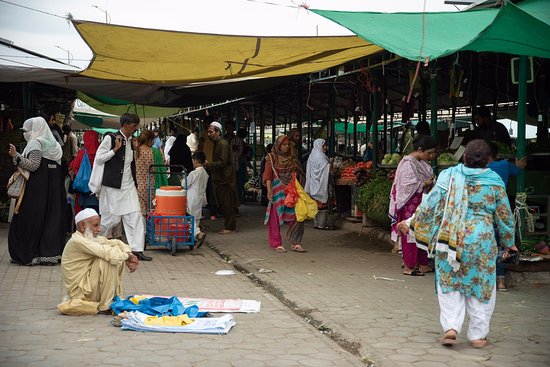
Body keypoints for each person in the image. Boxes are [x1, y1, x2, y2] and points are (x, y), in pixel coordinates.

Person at [400, 139, 516, 348]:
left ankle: (451, 328)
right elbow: (504, 216)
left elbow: (430, 204)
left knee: (450, 284)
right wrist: (509, 243)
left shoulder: (449, 176)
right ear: (488, 160)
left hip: (450, 240)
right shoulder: (494, 181)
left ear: (464, 158)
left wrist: (411, 222)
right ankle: (478, 336)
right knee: (481, 286)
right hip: (481, 242)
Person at [58, 209, 139, 315]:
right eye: (96, 226)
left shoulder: (89, 238)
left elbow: (117, 242)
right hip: (81, 291)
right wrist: (127, 257)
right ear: (83, 226)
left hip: (89, 286)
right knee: (107, 259)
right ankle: (105, 305)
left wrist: (129, 254)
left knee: (114, 250)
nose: (99, 229)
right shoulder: (77, 241)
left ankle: (109, 299)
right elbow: (108, 254)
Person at [94, 113, 152, 261]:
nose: (135, 129)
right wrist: (114, 150)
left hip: (128, 185)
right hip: (113, 185)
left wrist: (134, 149)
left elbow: (130, 163)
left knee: (135, 216)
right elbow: (99, 158)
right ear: (125, 125)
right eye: (134, 126)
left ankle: (136, 250)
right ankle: (95, 243)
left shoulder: (132, 141)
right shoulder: (111, 138)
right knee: (111, 219)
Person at [8, 116, 65, 265]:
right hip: (54, 190)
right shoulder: (55, 145)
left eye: (27, 130)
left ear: (36, 130)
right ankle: (49, 255)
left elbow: (33, 165)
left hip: (37, 190)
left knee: (31, 218)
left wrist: (16, 156)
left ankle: (29, 254)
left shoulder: (36, 143)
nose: (25, 133)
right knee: (51, 219)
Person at [389, 135, 437, 276]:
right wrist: (425, 183)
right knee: (409, 233)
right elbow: (406, 186)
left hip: (421, 203)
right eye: (429, 153)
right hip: (409, 204)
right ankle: (409, 266)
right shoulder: (407, 163)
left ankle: (422, 264)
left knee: (422, 232)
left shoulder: (420, 162)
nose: (432, 156)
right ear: (420, 149)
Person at [488, 142, 527, 291]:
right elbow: (518, 170)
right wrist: (518, 164)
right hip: (501, 211)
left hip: (484, 214)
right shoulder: (504, 165)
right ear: (496, 155)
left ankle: (487, 281)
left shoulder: (477, 170)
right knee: (502, 245)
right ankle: (501, 281)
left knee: (487, 246)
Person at [263, 135, 306, 253]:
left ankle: (295, 242)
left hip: (291, 190)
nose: (286, 147)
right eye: (284, 144)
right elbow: (268, 175)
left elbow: (300, 173)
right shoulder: (271, 158)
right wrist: (269, 190)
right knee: (275, 216)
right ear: (278, 145)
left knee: (297, 215)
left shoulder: (293, 158)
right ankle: (277, 243)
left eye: (288, 144)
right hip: (277, 190)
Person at [207, 121, 238, 234]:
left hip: (226, 178)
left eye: (211, 132)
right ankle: (229, 225)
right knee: (224, 202)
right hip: (221, 178)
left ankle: (230, 227)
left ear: (218, 132)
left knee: (227, 202)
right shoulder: (218, 144)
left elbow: (222, 162)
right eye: (208, 132)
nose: (209, 134)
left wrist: (208, 165)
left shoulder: (222, 144)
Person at [69, 130, 100, 214]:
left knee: (82, 212)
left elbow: (73, 167)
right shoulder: (101, 152)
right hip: (97, 189)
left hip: (83, 187)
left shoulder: (82, 152)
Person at [305, 138, 333, 230]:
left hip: (313, 183)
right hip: (321, 184)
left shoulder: (312, 155)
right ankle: (322, 224)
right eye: (324, 145)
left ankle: (316, 223)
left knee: (315, 204)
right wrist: (330, 164)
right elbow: (326, 169)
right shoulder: (321, 157)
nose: (326, 147)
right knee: (322, 204)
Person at [184, 151, 209, 247]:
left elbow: (184, 184)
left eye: (193, 160)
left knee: (189, 218)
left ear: (196, 161)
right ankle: (194, 238)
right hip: (200, 198)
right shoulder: (205, 173)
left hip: (191, 198)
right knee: (196, 219)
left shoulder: (194, 173)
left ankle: (198, 234)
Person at [134, 130, 156, 216]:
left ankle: (142, 229)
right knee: (151, 212)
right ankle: (149, 229)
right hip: (149, 185)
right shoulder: (150, 151)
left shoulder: (136, 151)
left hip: (139, 185)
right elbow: (152, 168)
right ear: (149, 140)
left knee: (141, 212)